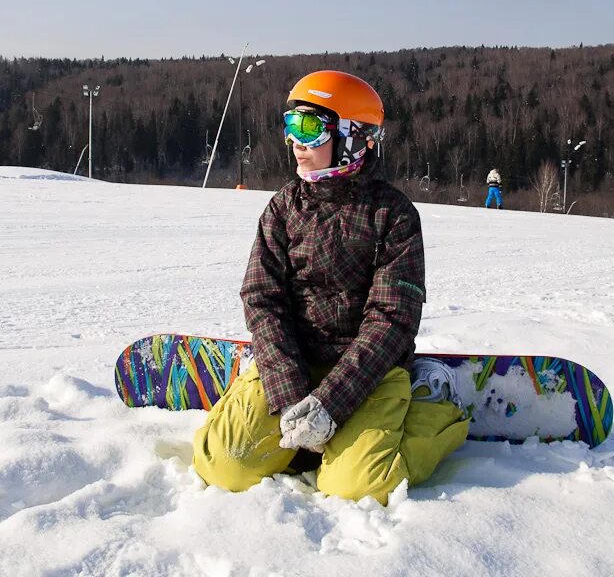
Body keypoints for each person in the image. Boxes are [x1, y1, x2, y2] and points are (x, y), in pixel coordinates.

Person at [192, 70, 469, 504]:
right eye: (290, 125)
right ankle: (282, 428)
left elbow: (392, 320)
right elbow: (262, 298)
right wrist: (288, 395)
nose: (295, 141)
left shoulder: (393, 215)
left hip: (368, 375)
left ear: (352, 136)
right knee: (224, 465)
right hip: (294, 365)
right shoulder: (283, 207)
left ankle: (434, 406)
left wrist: (330, 404)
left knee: (356, 487)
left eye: (309, 128)